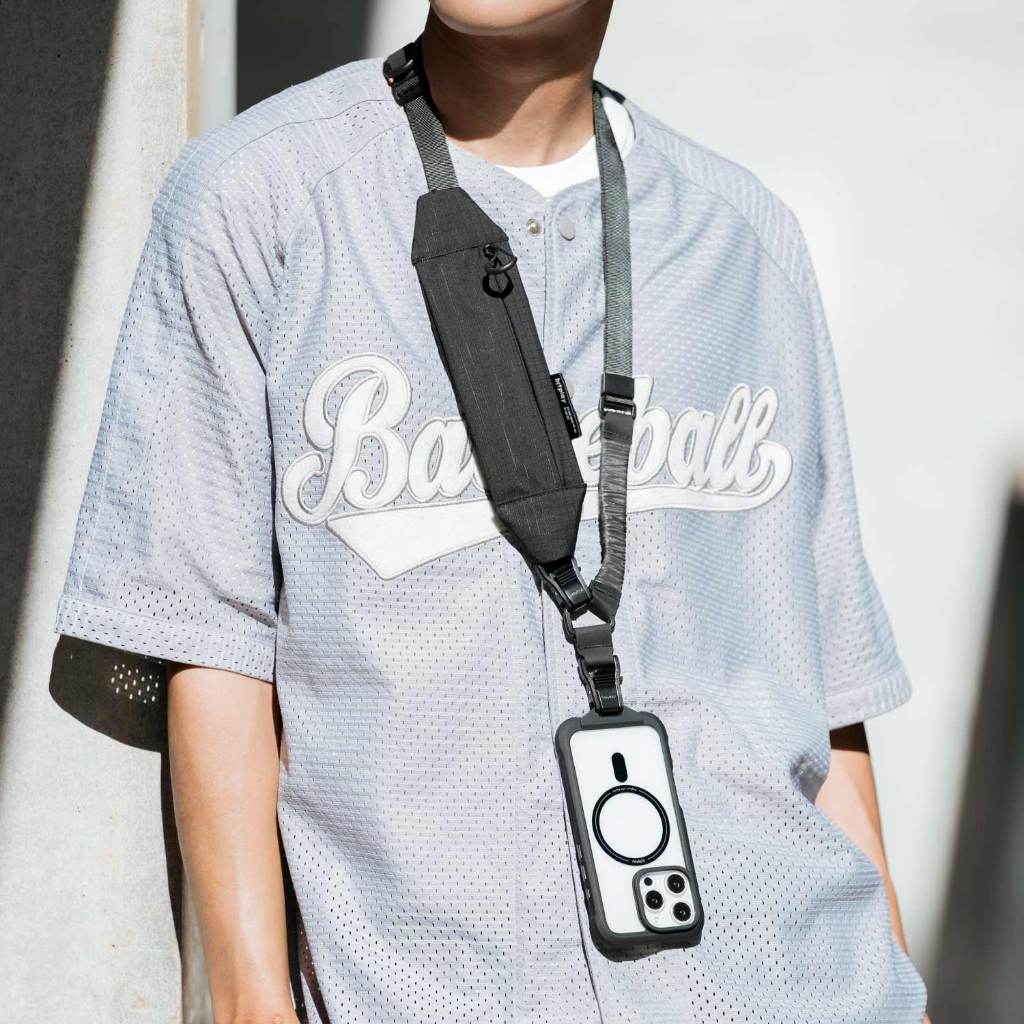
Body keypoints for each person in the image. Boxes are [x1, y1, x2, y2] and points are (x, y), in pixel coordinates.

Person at [55, 1, 930, 1022]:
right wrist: (254, 1002)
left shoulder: (745, 239)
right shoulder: (260, 201)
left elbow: (818, 689)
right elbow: (211, 638)